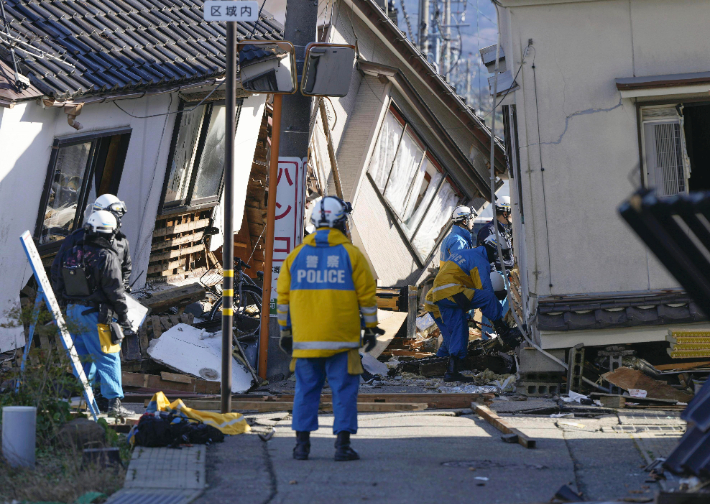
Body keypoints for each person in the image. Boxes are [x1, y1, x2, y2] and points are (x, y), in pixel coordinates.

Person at [276, 196, 381, 462]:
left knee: (306, 390)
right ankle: (342, 447)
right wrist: (370, 329)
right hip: (341, 341)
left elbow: (283, 298)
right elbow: (367, 297)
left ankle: (301, 447)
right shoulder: (351, 255)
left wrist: (286, 332)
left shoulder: (296, 257)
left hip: (305, 340)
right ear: (340, 223)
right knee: (344, 391)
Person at [50, 211, 135, 417]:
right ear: (111, 232)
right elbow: (115, 291)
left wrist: (63, 303)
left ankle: (85, 399)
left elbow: (57, 276)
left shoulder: (72, 250)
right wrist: (124, 318)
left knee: (83, 358)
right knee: (109, 357)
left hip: (72, 312)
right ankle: (113, 404)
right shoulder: (106, 256)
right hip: (96, 315)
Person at [429, 247, 515, 382]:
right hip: (452, 292)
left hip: (440, 295)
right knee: (487, 298)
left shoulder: (468, 253)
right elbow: (485, 289)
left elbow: (469, 288)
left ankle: (452, 371)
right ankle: (504, 331)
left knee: (459, 330)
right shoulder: (480, 260)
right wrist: (497, 317)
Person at [62, 194, 132, 290]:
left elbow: (126, 269)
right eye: (116, 216)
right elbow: (58, 268)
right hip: (79, 300)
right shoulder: (77, 238)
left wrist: (122, 289)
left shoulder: (122, 242)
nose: (118, 221)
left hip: (108, 300)